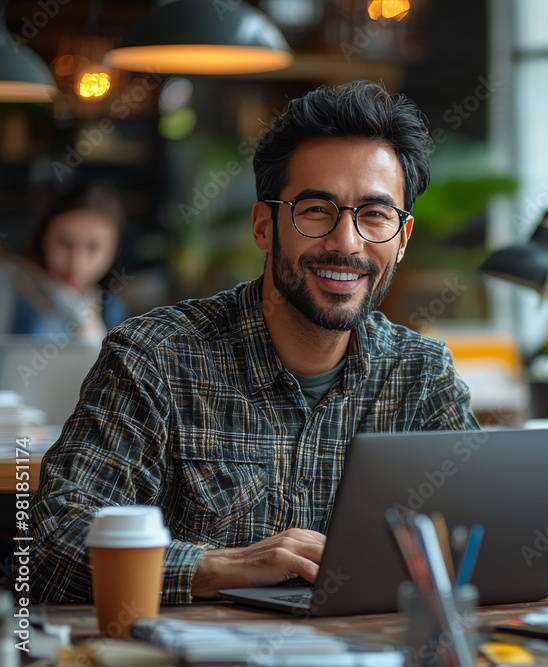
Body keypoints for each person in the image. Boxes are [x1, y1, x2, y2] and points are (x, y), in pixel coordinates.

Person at [30, 81, 479, 604]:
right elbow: (51, 546)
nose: (347, 242)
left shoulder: (422, 376)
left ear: (401, 240)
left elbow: (480, 542)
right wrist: (214, 566)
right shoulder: (155, 358)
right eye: (316, 210)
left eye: (374, 215)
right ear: (265, 226)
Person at [0, 182, 129, 344]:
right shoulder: (10, 288)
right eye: (64, 243)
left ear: (115, 250)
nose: (76, 263)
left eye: (93, 247)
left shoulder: (111, 310)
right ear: (43, 238)